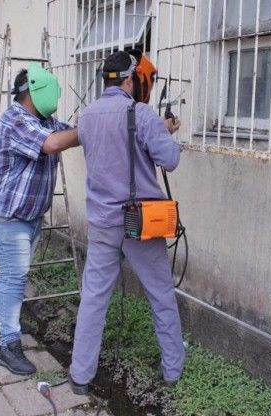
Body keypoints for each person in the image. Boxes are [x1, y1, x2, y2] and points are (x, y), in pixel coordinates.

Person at [68, 50, 184, 394]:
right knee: (161, 295)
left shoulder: (87, 117)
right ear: (131, 79)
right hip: (140, 224)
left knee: (93, 299)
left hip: (102, 222)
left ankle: (80, 376)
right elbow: (169, 160)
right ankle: (173, 370)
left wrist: (155, 129)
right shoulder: (142, 114)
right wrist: (165, 132)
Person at [0, 64, 79, 376]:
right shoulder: (15, 120)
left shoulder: (45, 122)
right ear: (35, 91)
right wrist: (87, 130)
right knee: (15, 275)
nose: (57, 97)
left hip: (28, 216)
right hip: (4, 214)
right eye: (54, 91)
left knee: (11, 272)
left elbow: (66, 134)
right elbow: (53, 143)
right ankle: (8, 346)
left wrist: (103, 123)